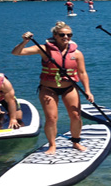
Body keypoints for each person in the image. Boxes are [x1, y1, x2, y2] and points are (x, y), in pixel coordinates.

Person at [12, 22, 93, 154]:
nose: (66, 37)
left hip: (69, 88)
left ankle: (76, 142)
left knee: (76, 116)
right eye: (62, 35)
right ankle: (52, 145)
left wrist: (88, 91)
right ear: (55, 35)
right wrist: (24, 41)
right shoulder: (44, 49)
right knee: (51, 118)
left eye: (69, 35)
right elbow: (16, 52)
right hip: (48, 89)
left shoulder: (77, 53)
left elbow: (82, 73)